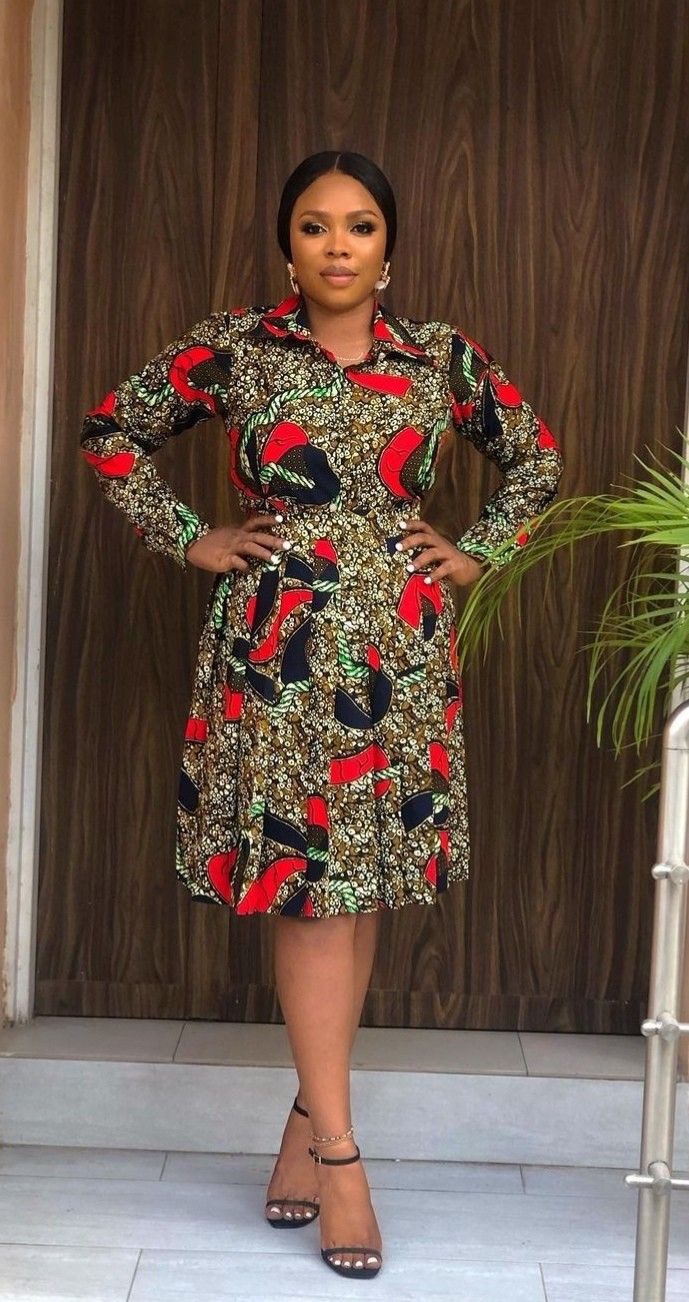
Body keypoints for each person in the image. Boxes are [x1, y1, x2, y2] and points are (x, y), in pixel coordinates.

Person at [79, 149, 564, 1281]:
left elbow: (535, 461)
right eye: (313, 225)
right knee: (307, 887)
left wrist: (476, 551)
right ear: (286, 246)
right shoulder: (236, 347)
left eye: (358, 226)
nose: (337, 245)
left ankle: (307, 1118)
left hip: (399, 645)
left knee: (362, 879)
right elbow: (112, 431)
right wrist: (192, 536)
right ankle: (341, 1156)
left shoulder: (439, 358)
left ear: (388, 250)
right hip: (276, 650)